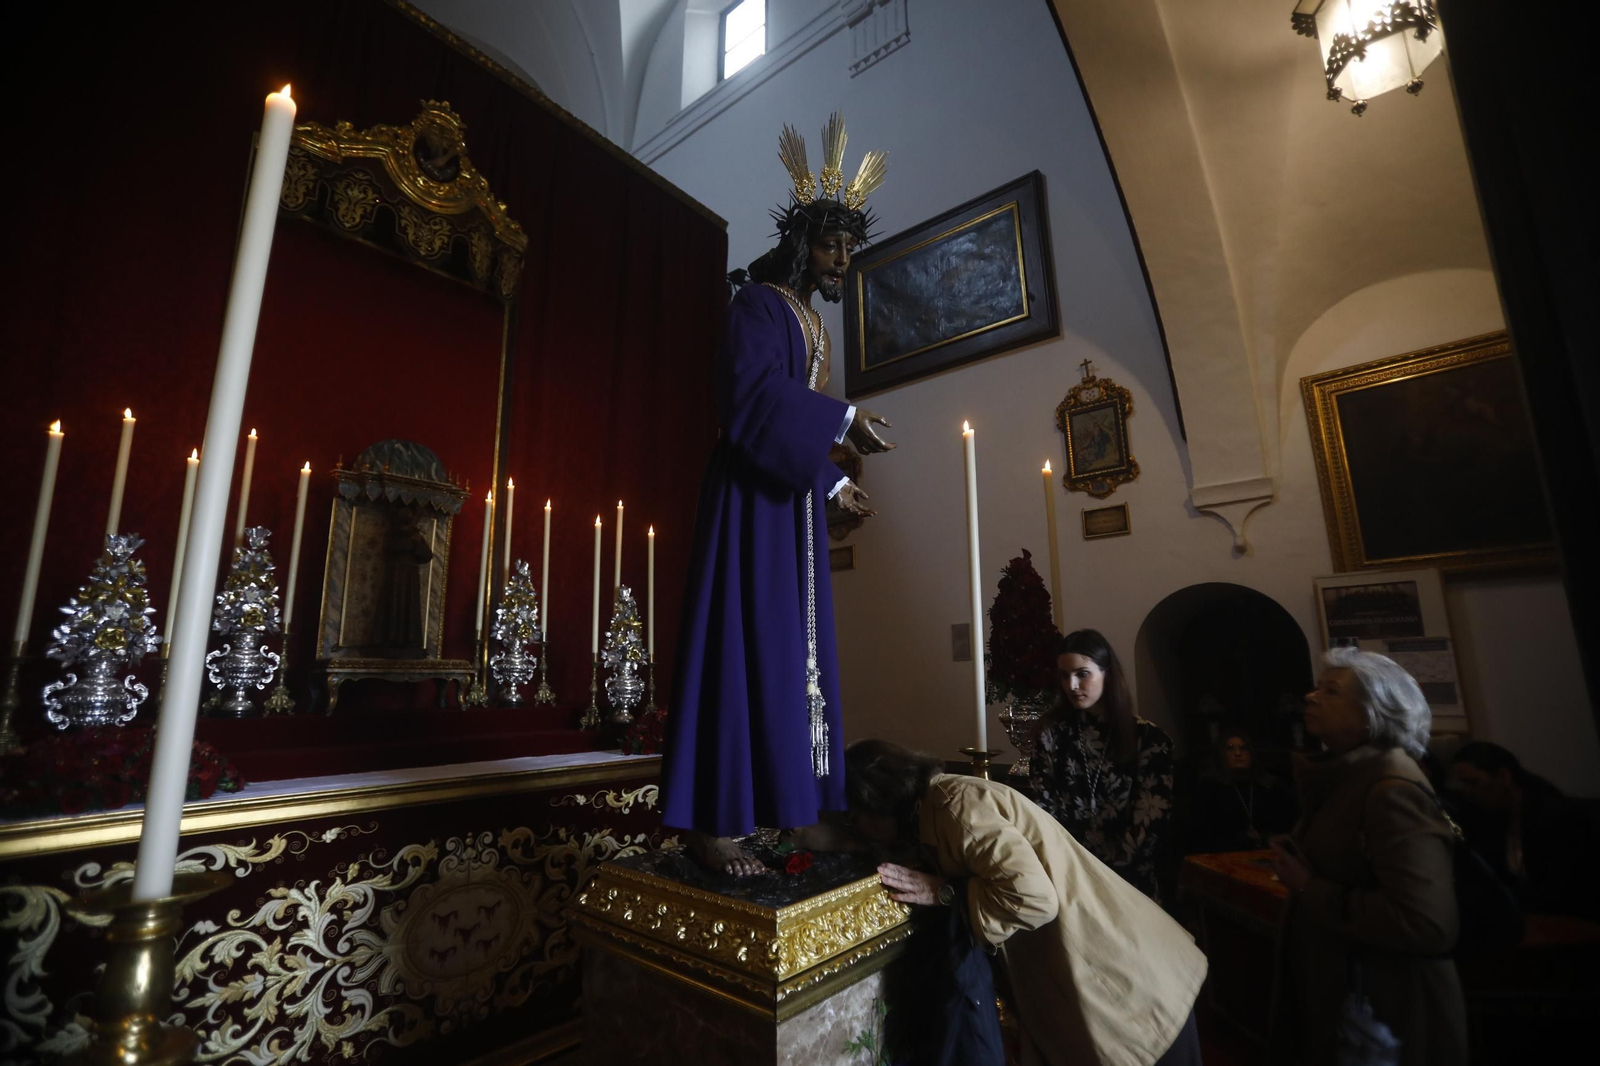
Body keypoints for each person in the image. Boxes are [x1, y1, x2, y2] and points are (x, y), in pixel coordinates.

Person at [661, 114, 896, 876]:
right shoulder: (757, 305)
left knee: (796, 654)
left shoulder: (810, 323)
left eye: (849, 247)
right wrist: (845, 422)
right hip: (748, 505)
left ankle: (797, 812)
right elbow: (751, 400)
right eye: (831, 245)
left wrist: (832, 482)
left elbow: (790, 421)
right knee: (738, 646)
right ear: (803, 242)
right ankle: (712, 821)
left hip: (788, 503)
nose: (843, 260)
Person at [847, 739, 1208, 1066]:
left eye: (854, 815)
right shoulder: (935, 809)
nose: (856, 827)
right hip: (1118, 973)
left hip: (1127, 983)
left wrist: (945, 892)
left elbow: (1032, 898)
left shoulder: (953, 805)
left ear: (876, 799)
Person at [1268, 648, 1466, 1065]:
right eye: (1317, 688)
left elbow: (1425, 923)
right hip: (1355, 995)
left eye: (1331, 692)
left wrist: (1307, 885)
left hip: (1387, 1015)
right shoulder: (1352, 775)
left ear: (1373, 713)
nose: (1310, 697)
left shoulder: (1391, 788)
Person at [1029, 629, 1174, 900]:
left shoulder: (1149, 739)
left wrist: (1108, 876)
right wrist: (1068, 869)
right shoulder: (1051, 735)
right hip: (1067, 877)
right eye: (1064, 676)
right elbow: (1042, 810)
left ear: (1107, 673)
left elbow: (1150, 822)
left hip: (1129, 882)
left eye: (1082, 674)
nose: (1072, 685)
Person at [1448, 740, 1600, 919]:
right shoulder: (1491, 816)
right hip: (1527, 915)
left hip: (1569, 918)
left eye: (1473, 782)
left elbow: (1562, 890)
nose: (1468, 792)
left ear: (1504, 776)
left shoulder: (1557, 817)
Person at [1188, 731, 1296, 853]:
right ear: (1221, 755)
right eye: (1230, 748)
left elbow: (1288, 823)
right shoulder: (1209, 787)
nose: (1238, 753)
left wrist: (1266, 837)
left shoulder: (1271, 786)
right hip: (1225, 854)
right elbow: (1203, 830)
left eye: (1243, 748)